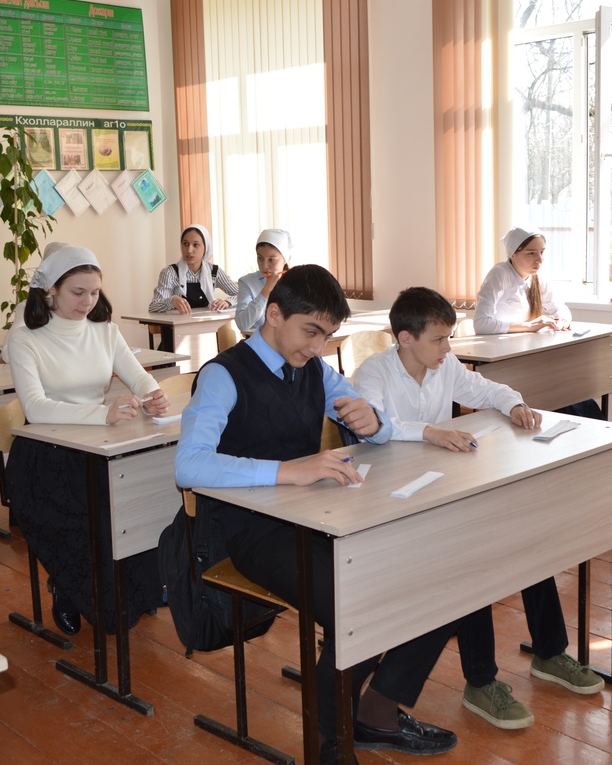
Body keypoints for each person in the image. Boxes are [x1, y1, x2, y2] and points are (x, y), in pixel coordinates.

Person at [175, 265, 458, 763]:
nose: (318, 346)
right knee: (358, 605)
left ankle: (376, 710)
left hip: (322, 517)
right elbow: (189, 465)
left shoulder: (314, 369)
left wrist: (374, 422)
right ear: (274, 314)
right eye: (311, 331)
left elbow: (369, 419)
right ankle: (330, 740)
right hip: (256, 530)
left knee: (441, 579)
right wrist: (289, 471)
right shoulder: (224, 375)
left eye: (327, 336)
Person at [356, 287, 606, 730]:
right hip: (391, 502)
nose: (447, 348)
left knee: (523, 540)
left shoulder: (444, 365)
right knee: (473, 558)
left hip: (437, 487)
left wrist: (514, 404)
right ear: (405, 339)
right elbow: (375, 424)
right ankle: (481, 681)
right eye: (439, 339)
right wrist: (430, 432)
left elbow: (487, 389)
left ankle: (550, 653)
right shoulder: (374, 372)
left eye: (449, 338)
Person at [5, 245, 170, 636]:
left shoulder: (105, 331)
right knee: (88, 522)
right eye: (77, 292)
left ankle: (136, 590)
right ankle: (68, 587)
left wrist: (153, 394)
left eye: (95, 292)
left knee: (138, 502)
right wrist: (103, 414)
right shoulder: (25, 337)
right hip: (47, 456)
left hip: (99, 445)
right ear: (51, 290)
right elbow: (35, 407)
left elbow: (138, 376)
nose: (88, 301)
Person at [476, 226, 603, 420]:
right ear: (513, 254)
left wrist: (562, 320)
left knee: (574, 396)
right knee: (558, 396)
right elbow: (481, 323)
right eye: (531, 253)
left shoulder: (537, 277)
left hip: (527, 353)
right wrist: (529, 326)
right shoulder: (499, 273)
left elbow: (560, 307)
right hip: (501, 358)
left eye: (542, 252)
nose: (539, 260)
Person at [148, 223, 238, 315]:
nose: (189, 250)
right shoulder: (170, 273)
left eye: (196, 245)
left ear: (206, 247)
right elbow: (153, 306)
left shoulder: (214, 272)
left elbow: (243, 294)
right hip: (177, 323)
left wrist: (228, 302)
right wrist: (171, 301)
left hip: (206, 322)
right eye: (186, 244)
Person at [235, 228, 291, 332]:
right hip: (258, 340)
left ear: (284, 259)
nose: (264, 266)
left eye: (271, 260)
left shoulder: (295, 281)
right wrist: (266, 291)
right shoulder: (247, 282)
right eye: (260, 258)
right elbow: (243, 324)